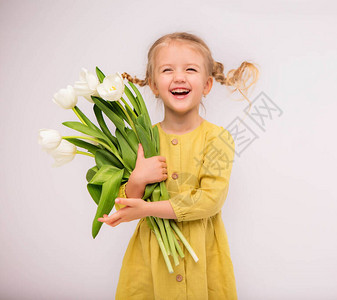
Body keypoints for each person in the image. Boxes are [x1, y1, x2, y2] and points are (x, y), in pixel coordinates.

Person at [98, 31, 259, 299]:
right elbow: (124, 202)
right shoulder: (141, 138)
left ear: (207, 85)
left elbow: (210, 200)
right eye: (167, 70)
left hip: (203, 258)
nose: (179, 77)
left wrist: (148, 208)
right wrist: (137, 180)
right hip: (151, 260)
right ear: (152, 84)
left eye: (190, 69)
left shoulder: (218, 138)